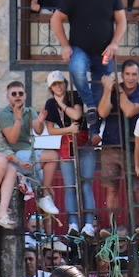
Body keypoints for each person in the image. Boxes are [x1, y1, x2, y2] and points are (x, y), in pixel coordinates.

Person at [51, 0, 127, 134]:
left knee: (102, 92)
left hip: (104, 52)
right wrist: (64, 46)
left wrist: (115, 43)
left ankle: (94, 131)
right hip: (80, 49)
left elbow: (122, 21)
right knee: (76, 69)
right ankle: (90, 106)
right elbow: (55, 19)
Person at [0, 81, 61, 218]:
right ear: (8, 97)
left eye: (20, 93)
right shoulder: (4, 115)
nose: (17, 96)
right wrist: (18, 120)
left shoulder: (29, 110)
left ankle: (46, 234)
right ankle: (44, 191)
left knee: (50, 196)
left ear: (25, 95)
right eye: (14, 94)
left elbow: (38, 130)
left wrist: (40, 121)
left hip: (29, 155)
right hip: (14, 157)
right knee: (53, 155)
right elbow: (12, 140)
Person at [96, 62, 139, 218]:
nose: (130, 78)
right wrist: (107, 89)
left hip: (133, 148)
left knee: (134, 189)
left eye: (134, 74)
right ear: (122, 75)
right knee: (111, 188)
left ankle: (138, 226)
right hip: (110, 146)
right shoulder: (111, 90)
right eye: (127, 74)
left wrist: (118, 90)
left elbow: (129, 111)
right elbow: (102, 112)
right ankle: (113, 229)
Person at [42, 72, 95, 233]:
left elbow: (77, 115)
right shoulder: (50, 103)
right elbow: (50, 130)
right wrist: (68, 129)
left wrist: (63, 105)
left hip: (83, 142)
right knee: (70, 186)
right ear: (50, 88)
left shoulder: (73, 95)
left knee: (86, 184)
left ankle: (89, 224)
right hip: (67, 143)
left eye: (60, 83)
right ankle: (72, 223)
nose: (58, 86)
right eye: (54, 84)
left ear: (65, 83)